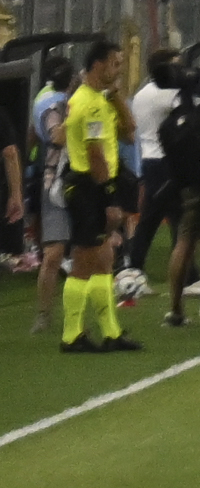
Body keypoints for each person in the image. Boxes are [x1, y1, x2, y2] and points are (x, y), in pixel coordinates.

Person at [50, 36, 131, 354]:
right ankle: (71, 336)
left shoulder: (98, 98)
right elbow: (95, 152)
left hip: (93, 185)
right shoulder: (90, 103)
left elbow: (129, 131)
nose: (119, 69)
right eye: (115, 63)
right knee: (85, 262)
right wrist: (110, 196)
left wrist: (118, 97)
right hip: (89, 187)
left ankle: (111, 332)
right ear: (98, 64)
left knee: (101, 261)